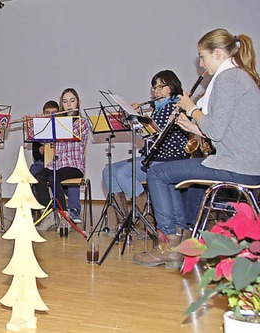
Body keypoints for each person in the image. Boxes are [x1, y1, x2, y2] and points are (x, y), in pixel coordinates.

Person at [134, 28, 260, 268]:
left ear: (218, 53)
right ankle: (178, 239)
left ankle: (170, 244)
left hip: (235, 165)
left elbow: (215, 131)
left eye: (203, 56)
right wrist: (192, 127)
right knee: (164, 173)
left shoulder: (228, 78)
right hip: (246, 163)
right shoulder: (239, 76)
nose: (201, 63)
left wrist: (191, 108)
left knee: (158, 172)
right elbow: (227, 131)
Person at [101, 70, 190, 218]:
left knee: (123, 173)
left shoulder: (175, 106)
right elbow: (148, 134)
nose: (157, 91)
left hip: (168, 159)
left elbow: (157, 132)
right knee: (108, 171)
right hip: (153, 156)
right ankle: (122, 220)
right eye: (155, 87)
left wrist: (138, 117)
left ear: (172, 87)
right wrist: (132, 116)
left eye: (161, 87)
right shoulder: (158, 108)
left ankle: (143, 219)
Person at [33, 88, 89, 223]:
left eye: (72, 101)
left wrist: (51, 124)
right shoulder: (57, 123)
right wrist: (38, 124)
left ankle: (64, 215)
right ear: (62, 104)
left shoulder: (82, 122)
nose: (68, 105)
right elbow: (43, 139)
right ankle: (49, 215)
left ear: (78, 102)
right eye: (65, 102)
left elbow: (67, 133)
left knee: (53, 177)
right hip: (57, 164)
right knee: (38, 176)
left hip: (74, 166)